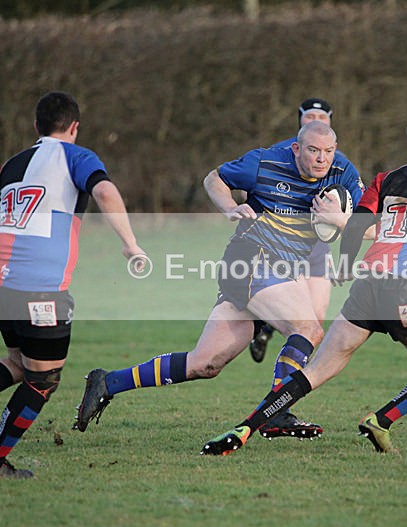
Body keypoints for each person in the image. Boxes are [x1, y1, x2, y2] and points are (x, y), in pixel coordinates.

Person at [201, 115, 407, 456]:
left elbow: (356, 226)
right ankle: (382, 420)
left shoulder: (385, 179)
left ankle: (244, 430)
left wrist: (344, 261)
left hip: (367, 288)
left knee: (315, 372)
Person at [73, 120, 364, 440]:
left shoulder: (343, 172)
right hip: (252, 257)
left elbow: (372, 225)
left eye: (328, 151)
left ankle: (108, 382)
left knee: (205, 364)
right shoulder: (265, 162)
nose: (321, 158)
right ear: (297, 148)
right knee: (307, 328)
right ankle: (276, 411)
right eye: (312, 150)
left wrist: (342, 221)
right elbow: (214, 178)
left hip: (279, 270)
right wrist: (229, 207)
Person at [0, 91, 147, 479]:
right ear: (74, 127)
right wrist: (130, 243)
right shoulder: (76, 156)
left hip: (0, 287)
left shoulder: (11, 166)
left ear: (35, 127)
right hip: (40, 290)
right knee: (44, 380)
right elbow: (105, 190)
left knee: (20, 365)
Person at [247, 97, 366, 368]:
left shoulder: (341, 165)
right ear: (300, 121)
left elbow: (360, 220)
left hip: (318, 246)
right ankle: (282, 390)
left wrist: (343, 246)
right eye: (309, 116)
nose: (316, 121)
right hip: (282, 246)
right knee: (304, 326)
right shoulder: (282, 153)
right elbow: (253, 187)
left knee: (317, 317)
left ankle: (265, 329)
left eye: (322, 118)